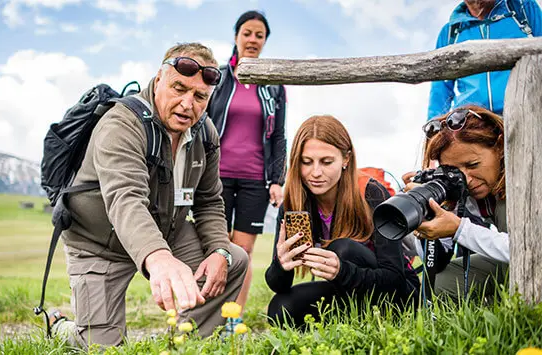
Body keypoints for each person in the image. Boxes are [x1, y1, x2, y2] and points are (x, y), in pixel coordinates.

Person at [50, 43, 248, 348]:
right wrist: (158, 258)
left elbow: (209, 201)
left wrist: (219, 250)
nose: (187, 104)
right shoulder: (121, 124)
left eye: (199, 97)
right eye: (179, 88)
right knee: (104, 349)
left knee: (232, 260)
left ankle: (189, 343)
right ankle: (60, 327)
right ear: (159, 80)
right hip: (99, 242)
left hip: (167, 229)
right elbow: (125, 199)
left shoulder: (205, 133)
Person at [265, 115, 419, 328]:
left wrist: (342, 271)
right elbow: (278, 285)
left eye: (327, 162)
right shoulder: (294, 204)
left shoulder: (371, 193)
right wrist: (281, 265)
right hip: (346, 292)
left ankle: (369, 325)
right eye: (306, 162)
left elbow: (394, 278)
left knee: (343, 248)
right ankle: (346, 327)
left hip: (398, 294)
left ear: (346, 159)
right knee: (280, 308)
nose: (316, 173)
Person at [206, 10, 287, 321]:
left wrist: (277, 179)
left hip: (255, 180)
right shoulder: (220, 77)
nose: (253, 39)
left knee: (243, 253)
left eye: (259, 35)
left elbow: (279, 135)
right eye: (247, 33)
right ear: (236, 36)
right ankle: (211, 313)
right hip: (217, 178)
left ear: (265, 41)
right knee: (219, 249)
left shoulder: (274, 86)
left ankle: (233, 318)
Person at [408, 105, 509, 299]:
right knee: (441, 283)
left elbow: (530, 251)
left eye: (473, 165)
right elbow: (436, 263)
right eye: (454, 170)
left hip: (531, 258)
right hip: (512, 257)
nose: (467, 179)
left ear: (500, 146)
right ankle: (491, 316)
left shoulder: (529, 178)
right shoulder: (466, 187)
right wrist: (428, 211)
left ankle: (517, 314)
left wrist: (459, 229)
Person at [428, 0, 542, 119]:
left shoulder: (523, 8)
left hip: (524, 113)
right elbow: (440, 90)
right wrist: (433, 129)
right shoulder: (449, 32)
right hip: (472, 122)